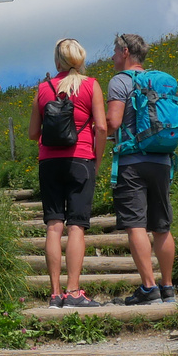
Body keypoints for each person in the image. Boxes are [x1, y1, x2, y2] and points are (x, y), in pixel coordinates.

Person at [28, 38, 107, 308]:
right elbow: (102, 128)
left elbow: (31, 133)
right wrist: (97, 160)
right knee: (76, 226)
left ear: (57, 61)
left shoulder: (43, 89)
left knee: (53, 225)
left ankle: (54, 294)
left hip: (49, 162)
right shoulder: (91, 85)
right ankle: (73, 292)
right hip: (81, 159)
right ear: (80, 59)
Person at [106, 32, 177, 304]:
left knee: (135, 223)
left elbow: (113, 122)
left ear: (125, 52)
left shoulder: (120, 81)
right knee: (162, 225)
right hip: (161, 160)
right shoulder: (159, 80)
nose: (112, 56)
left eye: (114, 51)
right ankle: (168, 286)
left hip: (132, 162)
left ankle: (149, 288)